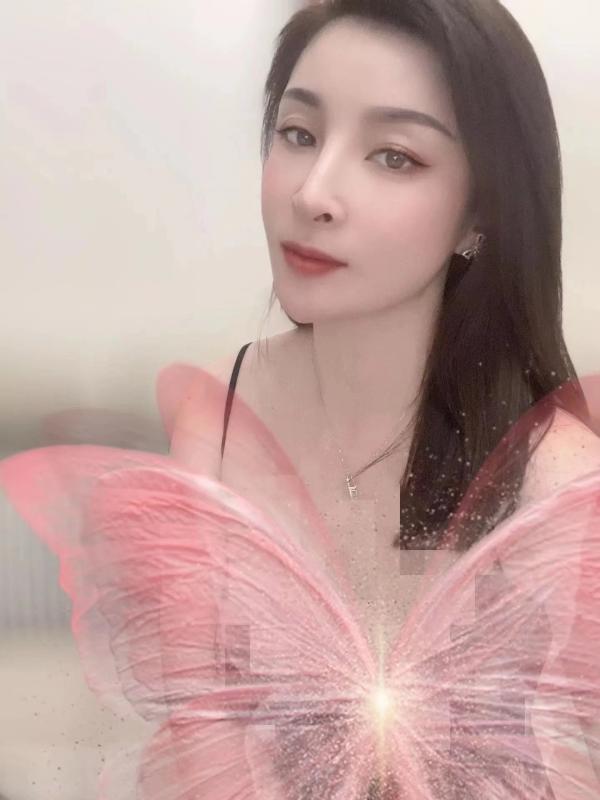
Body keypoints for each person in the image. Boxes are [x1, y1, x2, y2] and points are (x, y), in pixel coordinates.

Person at [167, 0, 600, 793]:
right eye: (299, 134)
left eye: (394, 156)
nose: (315, 194)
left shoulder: (557, 479)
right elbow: (193, 734)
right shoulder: (218, 416)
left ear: (481, 211)